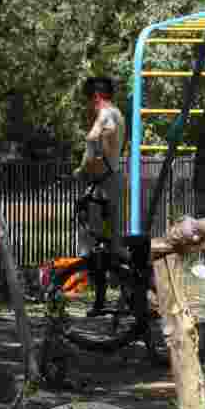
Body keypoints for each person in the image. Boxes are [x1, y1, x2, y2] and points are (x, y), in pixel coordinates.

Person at [74, 76, 125, 317]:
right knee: (106, 245)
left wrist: (85, 169)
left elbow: (98, 139)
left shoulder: (106, 115)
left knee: (94, 246)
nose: (88, 106)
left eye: (89, 101)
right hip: (106, 182)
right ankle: (103, 300)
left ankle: (105, 299)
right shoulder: (115, 113)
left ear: (96, 97)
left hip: (103, 185)